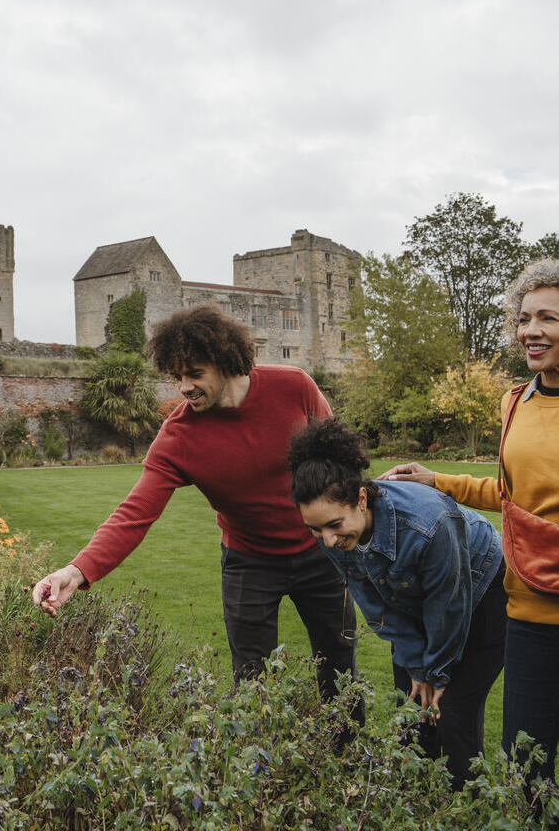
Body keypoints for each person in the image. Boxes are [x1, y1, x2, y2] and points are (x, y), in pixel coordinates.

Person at [33, 305, 358, 704]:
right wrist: (76, 570)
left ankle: (349, 757)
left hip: (320, 554)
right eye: (177, 377)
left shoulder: (294, 386)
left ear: (226, 362)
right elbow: (134, 513)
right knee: (252, 683)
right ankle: (260, 763)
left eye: (195, 374)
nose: (184, 387)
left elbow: (340, 463)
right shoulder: (179, 437)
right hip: (249, 563)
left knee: (340, 669)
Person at [381, 258, 559, 782]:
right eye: (524, 318)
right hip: (527, 612)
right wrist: (440, 482)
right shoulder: (517, 402)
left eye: (548, 318)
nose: (531, 331)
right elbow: (511, 495)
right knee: (527, 768)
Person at [287, 417, 505, 789]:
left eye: (334, 525)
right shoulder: (336, 536)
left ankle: (465, 805)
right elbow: (374, 605)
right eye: (314, 529)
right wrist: (415, 665)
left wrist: (435, 672)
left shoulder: (429, 522)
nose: (326, 540)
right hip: (417, 601)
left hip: (482, 592)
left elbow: (447, 604)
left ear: (360, 498)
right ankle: (417, 805)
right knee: (412, 713)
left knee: (451, 714)